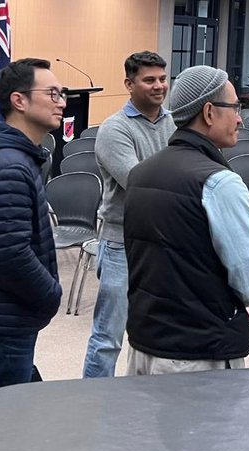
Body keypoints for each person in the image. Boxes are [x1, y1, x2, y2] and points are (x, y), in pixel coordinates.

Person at [123, 65, 249, 374]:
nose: (240, 118)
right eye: (235, 107)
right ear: (209, 112)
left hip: (144, 345)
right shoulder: (219, 183)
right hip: (198, 355)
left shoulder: (139, 174)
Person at [0, 58, 64, 392]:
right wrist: (50, 295)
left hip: (2, 314)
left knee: (14, 406)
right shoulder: (11, 167)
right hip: (3, 320)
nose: (62, 102)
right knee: (2, 417)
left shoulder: (15, 156)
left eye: (62, 93)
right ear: (19, 100)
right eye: (52, 94)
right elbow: (11, 254)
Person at [81, 51, 175, 378]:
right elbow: (138, 183)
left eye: (162, 78)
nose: (159, 86)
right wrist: (179, 183)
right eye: (149, 80)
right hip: (122, 242)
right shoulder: (114, 129)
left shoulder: (175, 123)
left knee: (159, 330)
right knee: (108, 337)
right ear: (129, 84)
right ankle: (95, 401)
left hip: (164, 240)